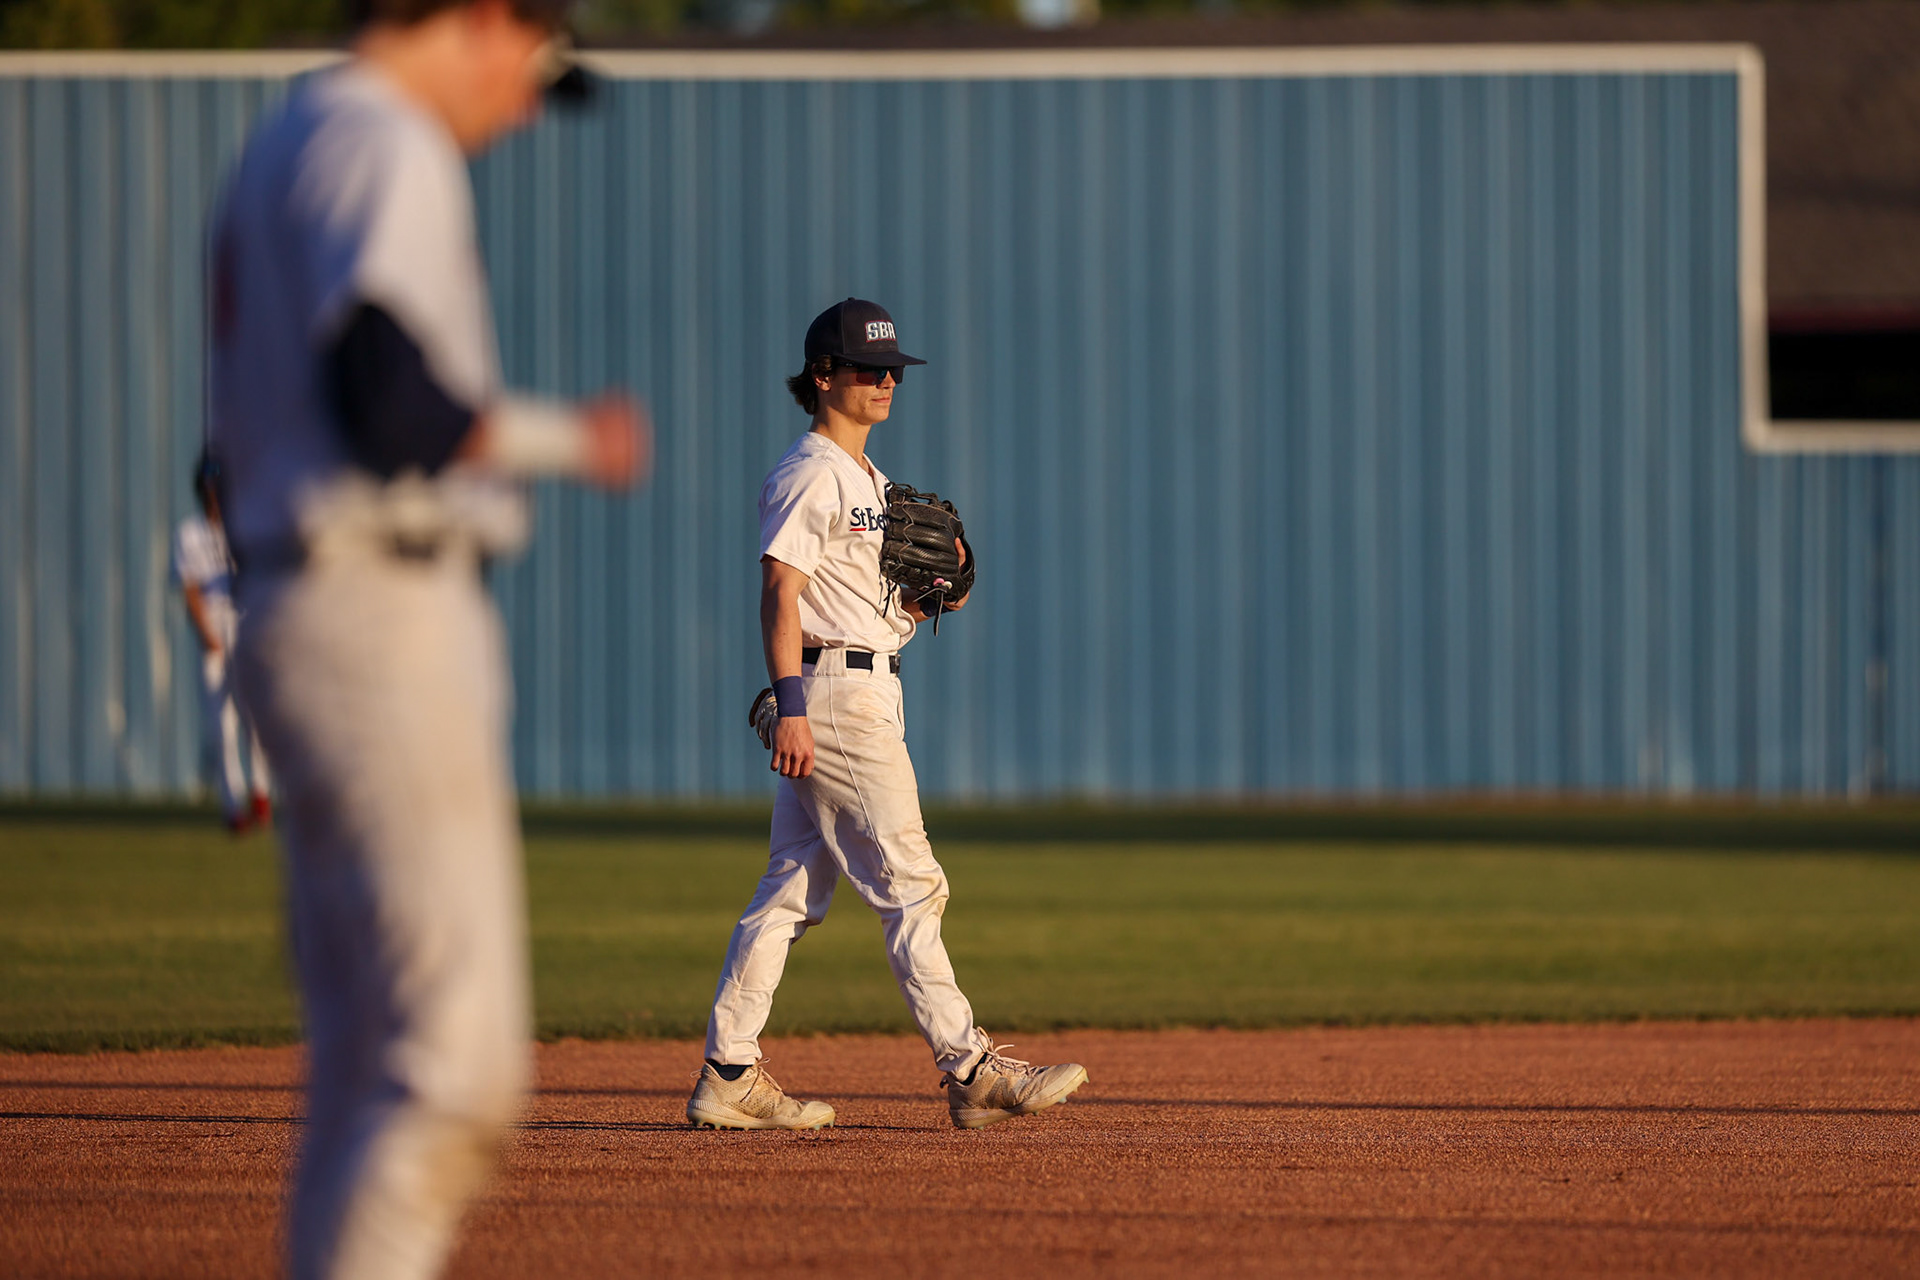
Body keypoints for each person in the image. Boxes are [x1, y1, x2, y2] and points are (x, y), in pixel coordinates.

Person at [208, 2, 647, 1277]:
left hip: (302, 597)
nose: (522, 103)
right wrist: (574, 441)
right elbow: (387, 395)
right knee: (455, 1072)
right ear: (478, 18)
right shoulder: (382, 136)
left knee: (361, 1068)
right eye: (531, 63)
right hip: (377, 603)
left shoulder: (286, 133)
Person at [687, 298, 1088, 1132]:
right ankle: (969, 1067)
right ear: (823, 376)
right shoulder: (810, 472)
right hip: (833, 698)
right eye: (868, 368)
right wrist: (792, 708)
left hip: (867, 685)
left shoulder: (871, 484)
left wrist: (952, 583)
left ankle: (730, 1070)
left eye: (893, 370)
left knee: (793, 890)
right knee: (912, 884)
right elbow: (779, 592)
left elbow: (903, 598)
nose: (885, 381)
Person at [174, 450, 273, 834]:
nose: (214, 494)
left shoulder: (243, 526)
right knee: (221, 724)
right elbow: (190, 589)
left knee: (254, 717)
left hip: (242, 622)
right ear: (200, 490)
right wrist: (206, 634)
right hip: (213, 628)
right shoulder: (189, 533)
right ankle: (233, 808)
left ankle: (260, 793)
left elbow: (259, 577)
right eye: (209, 488)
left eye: (219, 487)